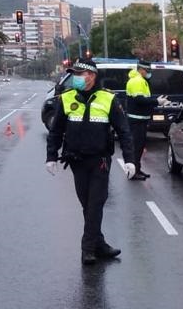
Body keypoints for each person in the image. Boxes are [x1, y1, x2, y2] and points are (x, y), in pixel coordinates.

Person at [45, 57, 137, 265]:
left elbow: (124, 131)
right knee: (87, 205)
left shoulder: (108, 99)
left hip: (100, 161)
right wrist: (51, 156)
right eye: (75, 74)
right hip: (77, 161)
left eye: (80, 74)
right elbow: (56, 130)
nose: (76, 77)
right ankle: (100, 244)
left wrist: (130, 160)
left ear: (92, 76)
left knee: (96, 203)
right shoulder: (67, 98)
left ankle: (87, 249)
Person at [124, 60, 167, 180]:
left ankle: (137, 169)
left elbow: (144, 99)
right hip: (136, 120)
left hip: (140, 119)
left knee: (139, 146)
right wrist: (156, 101)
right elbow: (140, 100)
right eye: (147, 71)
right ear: (141, 70)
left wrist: (155, 101)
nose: (149, 73)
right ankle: (133, 172)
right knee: (136, 147)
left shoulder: (140, 80)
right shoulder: (137, 81)